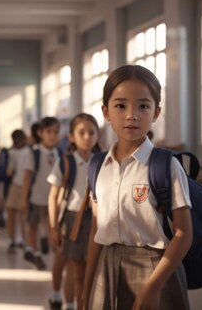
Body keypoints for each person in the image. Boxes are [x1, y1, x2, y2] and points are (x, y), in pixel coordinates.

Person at [82, 65, 192, 309]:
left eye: (143, 106)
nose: (131, 115)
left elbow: (184, 234)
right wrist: (85, 290)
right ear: (106, 112)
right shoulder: (98, 165)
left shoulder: (166, 165)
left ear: (155, 113)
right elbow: (95, 233)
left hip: (156, 267)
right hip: (107, 266)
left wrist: (154, 286)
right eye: (120, 105)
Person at [47, 113, 100, 310]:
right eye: (81, 132)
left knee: (92, 272)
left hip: (97, 219)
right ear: (71, 137)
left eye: (91, 132)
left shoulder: (102, 161)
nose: (87, 137)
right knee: (77, 270)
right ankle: (73, 304)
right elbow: (53, 197)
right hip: (72, 219)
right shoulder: (65, 162)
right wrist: (53, 227)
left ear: (98, 135)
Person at [20, 117, 60, 270]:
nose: (52, 135)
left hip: (54, 200)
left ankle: (55, 255)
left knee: (52, 227)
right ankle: (35, 253)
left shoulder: (60, 153)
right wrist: (23, 199)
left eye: (55, 132)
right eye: (49, 131)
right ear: (40, 133)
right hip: (36, 198)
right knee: (33, 227)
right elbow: (27, 177)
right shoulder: (34, 153)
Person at [5, 129, 29, 253]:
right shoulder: (29, 151)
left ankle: (12, 240)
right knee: (23, 215)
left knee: (11, 214)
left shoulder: (12, 152)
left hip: (15, 185)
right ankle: (25, 241)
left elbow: (9, 171)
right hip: (26, 186)